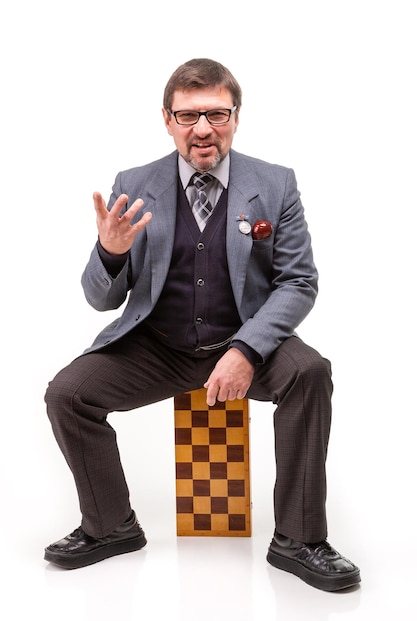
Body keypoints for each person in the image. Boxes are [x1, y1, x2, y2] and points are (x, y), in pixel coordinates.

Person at [44, 58, 360, 591]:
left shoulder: (276, 184)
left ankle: (300, 539)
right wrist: (111, 252)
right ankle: (111, 526)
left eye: (216, 113)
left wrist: (247, 349)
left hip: (246, 341)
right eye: (188, 116)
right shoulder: (134, 182)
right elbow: (100, 298)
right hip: (158, 346)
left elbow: (298, 282)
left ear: (236, 117)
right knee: (67, 394)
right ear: (167, 120)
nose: (203, 129)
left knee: (311, 373)